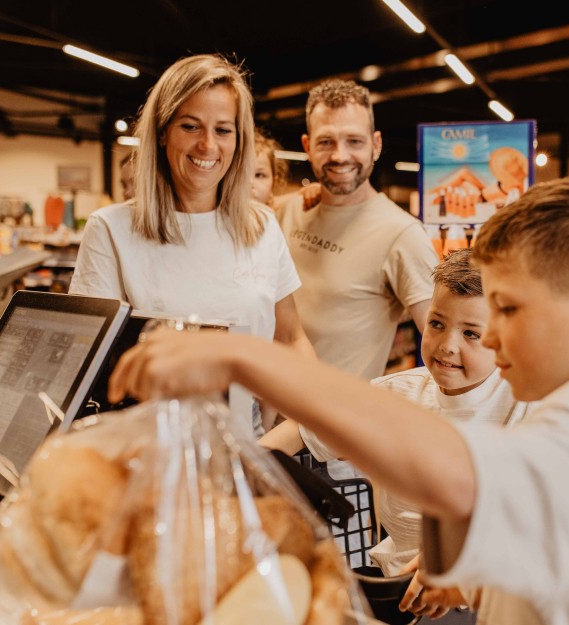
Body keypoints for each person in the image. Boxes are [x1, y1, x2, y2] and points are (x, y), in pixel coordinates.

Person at [109, 174, 569, 625]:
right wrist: (478, 582)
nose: (491, 335)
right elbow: (566, 568)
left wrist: (247, 359)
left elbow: (451, 469)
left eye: (508, 310)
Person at [69, 54, 314, 435]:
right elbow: (86, 364)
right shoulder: (111, 229)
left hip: (249, 443)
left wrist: (304, 425)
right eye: (190, 126)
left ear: (239, 139)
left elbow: (290, 337)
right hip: (148, 444)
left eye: (223, 130)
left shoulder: (261, 225)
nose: (207, 146)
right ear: (163, 131)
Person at [265, 78, 438, 458]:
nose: (340, 154)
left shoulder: (402, 234)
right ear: (308, 146)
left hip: (330, 446)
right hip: (259, 421)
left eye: (355, 141)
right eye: (326, 141)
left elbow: (443, 342)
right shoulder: (286, 213)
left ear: (375, 145)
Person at [368, 248, 528, 618]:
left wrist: (458, 561)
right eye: (437, 323)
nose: (447, 345)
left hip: (487, 594)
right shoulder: (395, 393)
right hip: (397, 591)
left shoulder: (526, 406)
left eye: (472, 333)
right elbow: (308, 427)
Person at [251, 129, 289, 208]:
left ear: (274, 182)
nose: (250, 183)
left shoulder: (270, 215)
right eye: (241, 175)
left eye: (259, 175)